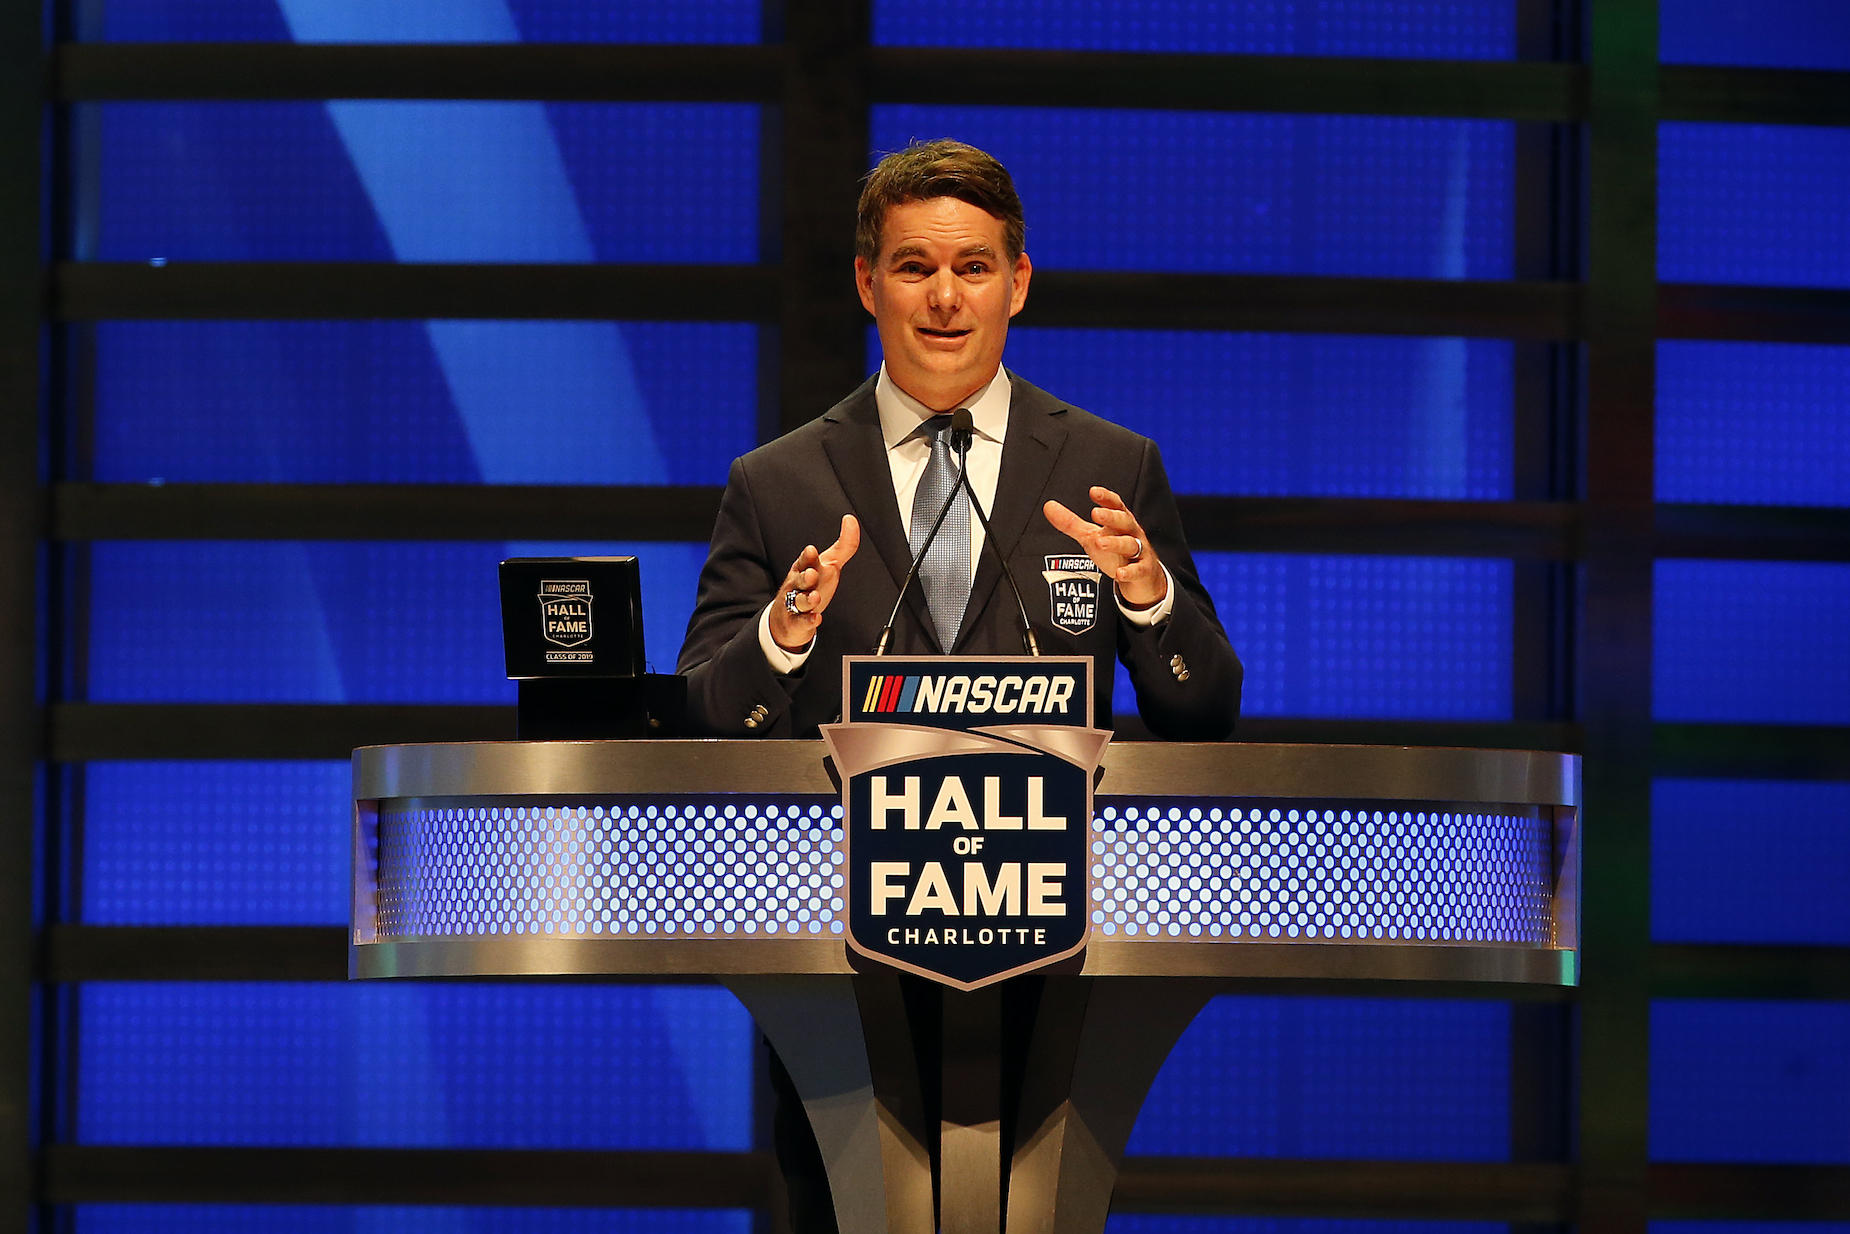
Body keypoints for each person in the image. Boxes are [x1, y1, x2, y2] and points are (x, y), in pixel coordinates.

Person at [677, 138, 1241, 740]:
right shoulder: (775, 483)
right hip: (837, 834)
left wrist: (1150, 599)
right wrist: (780, 635)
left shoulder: (1110, 468)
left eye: (973, 268)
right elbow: (699, 722)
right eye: (914, 268)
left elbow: (1204, 716)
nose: (945, 299)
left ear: (1017, 284)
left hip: (1045, 832)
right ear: (868, 285)